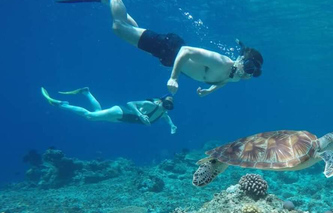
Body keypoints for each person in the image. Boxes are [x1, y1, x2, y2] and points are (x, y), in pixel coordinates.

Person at [56, 0, 264, 97]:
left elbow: (224, 82)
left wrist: (210, 90)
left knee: (132, 30)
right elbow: (186, 52)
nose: (248, 71)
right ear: (239, 58)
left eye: (252, 70)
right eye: (248, 64)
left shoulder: (235, 76)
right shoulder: (223, 62)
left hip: (166, 54)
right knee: (118, 28)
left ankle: (109, 4)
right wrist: (174, 77)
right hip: (170, 48)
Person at [41, 87, 177, 134]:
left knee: (97, 112)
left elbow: (167, 118)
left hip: (121, 119)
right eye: (166, 103)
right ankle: (61, 104)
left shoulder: (163, 113)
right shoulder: (150, 105)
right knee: (90, 116)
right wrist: (140, 115)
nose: (167, 107)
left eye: (170, 106)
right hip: (120, 112)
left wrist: (172, 126)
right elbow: (130, 103)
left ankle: (86, 92)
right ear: (160, 101)